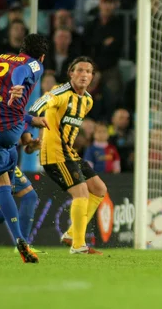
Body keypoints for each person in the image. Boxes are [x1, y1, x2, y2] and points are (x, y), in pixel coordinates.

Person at [0, 33, 49, 264]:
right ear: (42, 56)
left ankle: (19, 240)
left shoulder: (0, 58)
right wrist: (18, 85)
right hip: (8, 127)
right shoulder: (33, 64)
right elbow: (22, 72)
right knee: (22, 191)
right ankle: (21, 241)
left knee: (2, 183)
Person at [29, 56, 107, 255]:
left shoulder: (87, 100)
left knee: (98, 189)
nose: (84, 75)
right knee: (81, 192)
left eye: (88, 72)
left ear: (92, 77)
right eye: (80, 70)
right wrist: (32, 123)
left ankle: (72, 234)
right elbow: (39, 105)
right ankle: (78, 245)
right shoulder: (60, 92)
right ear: (71, 73)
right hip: (54, 153)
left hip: (69, 153)